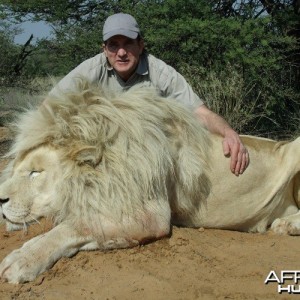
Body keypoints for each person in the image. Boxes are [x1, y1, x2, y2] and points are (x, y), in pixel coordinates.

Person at [50, 13, 249, 176]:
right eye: (113, 44)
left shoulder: (161, 72)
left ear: (141, 45)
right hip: (102, 150)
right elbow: (48, 106)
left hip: (146, 156)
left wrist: (229, 132)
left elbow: (201, 113)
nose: (121, 52)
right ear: (104, 49)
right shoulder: (91, 69)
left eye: (128, 43)